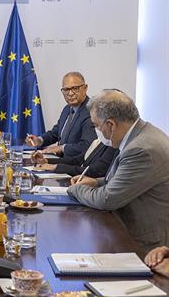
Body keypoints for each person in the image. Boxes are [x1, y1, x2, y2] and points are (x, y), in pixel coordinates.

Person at [68, 89, 169, 251]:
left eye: (97, 126)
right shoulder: (141, 135)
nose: (98, 132)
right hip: (128, 231)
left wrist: (76, 189)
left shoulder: (141, 149)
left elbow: (107, 199)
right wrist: (95, 182)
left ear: (111, 124)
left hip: (144, 246)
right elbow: (125, 180)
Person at [26, 71, 96, 157]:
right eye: (66, 90)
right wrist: (39, 140)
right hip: (61, 160)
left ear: (85, 88)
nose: (70, 93)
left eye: (75, 88)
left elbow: (87, 146)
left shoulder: (91, 111)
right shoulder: (67, 109)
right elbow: (56, 133)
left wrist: (61, 148)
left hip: (75, 165)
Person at [31, 138, 117, 177]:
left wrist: (56, 167)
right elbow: (77, 160)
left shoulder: (113, 145)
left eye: (96, 124)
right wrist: (46, 161)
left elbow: (94, 171)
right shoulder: (101, 141)